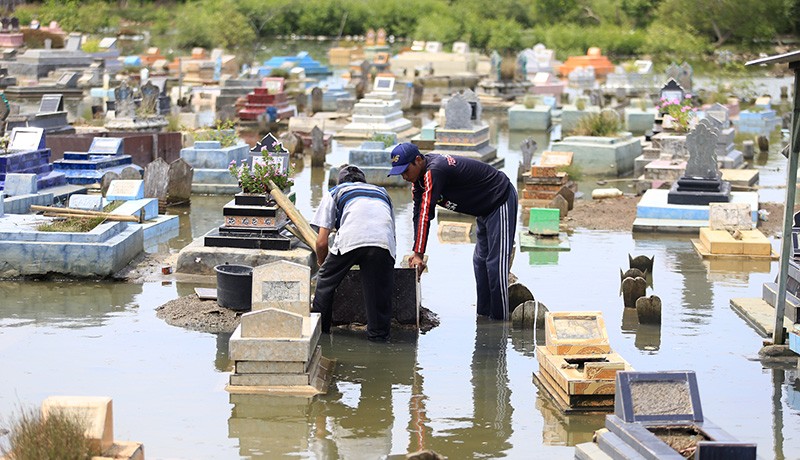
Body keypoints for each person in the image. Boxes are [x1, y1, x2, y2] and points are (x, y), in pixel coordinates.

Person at [388, 142, 517, 321]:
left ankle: (500, 324)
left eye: (405, 170)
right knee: (480, 263)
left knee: (496, 267)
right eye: (400, 173)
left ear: (418, 160)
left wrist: (419, 253)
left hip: (499, 199)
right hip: (483, 209)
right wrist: (416, 252)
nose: (403, 176)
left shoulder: (434, 171)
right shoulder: (417, 181)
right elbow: (418, 213)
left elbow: (427, 214)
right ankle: (483, 318)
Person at [311, 165, 396, 341]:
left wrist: (323, 266)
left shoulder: (335, 191)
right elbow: (390, 231)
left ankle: (321, 335)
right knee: (379, 293)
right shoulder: (382, 192)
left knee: (325, 284)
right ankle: (379, 340)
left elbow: (321, 242)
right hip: (382, 243)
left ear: (341, 181)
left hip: (351, 238)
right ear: (364, 182)